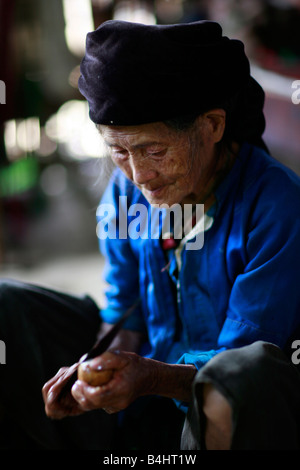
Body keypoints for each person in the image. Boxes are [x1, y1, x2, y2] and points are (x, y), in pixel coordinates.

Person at [1, 19, 300, 451]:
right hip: (146, 399)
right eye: (119, 151)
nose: (141, 176)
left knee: (238, 377)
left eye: (154, 150)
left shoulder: (277, 208)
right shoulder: (127, 193)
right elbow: (124, 310)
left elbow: (244, 359)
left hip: (226, 413)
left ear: (213, 126)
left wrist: (150, 377)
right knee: (9, 307)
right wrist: (96, 369)